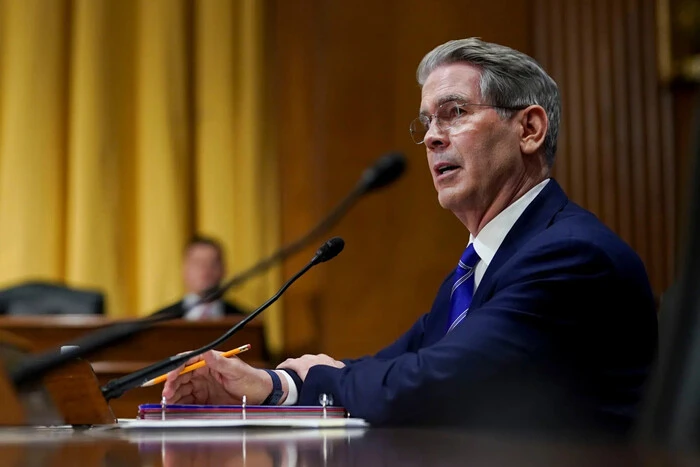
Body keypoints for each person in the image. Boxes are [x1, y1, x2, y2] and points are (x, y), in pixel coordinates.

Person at [162, 38, 658, 436]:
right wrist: (268, 384)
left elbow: (432, 383)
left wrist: (310, 381)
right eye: (427, 122)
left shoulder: (570, 255)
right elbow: (397, 365)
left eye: (455, 112)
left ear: (529, 129)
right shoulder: (482, 265)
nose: (433, 137)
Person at [152, 236, 247, 320]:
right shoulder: (159, 321)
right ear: (184, 269)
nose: (205, 270)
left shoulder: (245, 320)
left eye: (212, 263)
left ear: (224, 269)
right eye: (197, 263)